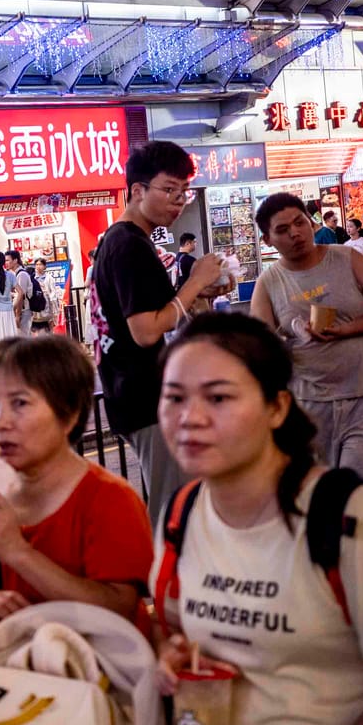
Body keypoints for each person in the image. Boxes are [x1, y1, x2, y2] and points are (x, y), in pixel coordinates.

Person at [153, 312, 363, 725]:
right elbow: (171, 627)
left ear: (277, 407)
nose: (190, 418)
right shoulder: (181, 513)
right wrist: (171, 652)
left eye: (218, 397)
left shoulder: (349, 516)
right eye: (174, 398)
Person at [0, 336, 154, 645]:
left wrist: (16, 551)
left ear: (69, 414)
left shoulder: (109, 499)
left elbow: (118, 610)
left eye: (20, 403)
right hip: (2, 674)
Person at [90, 140, 226, 524]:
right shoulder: (128, 245)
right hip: (144, 398)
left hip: (135, 396)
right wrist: (195, 281)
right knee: (174, 511)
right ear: (138, 190)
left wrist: (199, 292)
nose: (178, 201)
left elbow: (160, 312)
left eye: (184, 192)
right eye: (169, 190)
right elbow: (146, 331)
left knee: (181, 502)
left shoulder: (122, 241)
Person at [250, 193, 363, 481]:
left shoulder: (347, 258)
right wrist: (291, 334)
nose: (295, 233)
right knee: (319, 491)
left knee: (357, 487)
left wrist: (346, 329)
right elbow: (259, 350)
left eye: (300, 222)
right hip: (308, 407)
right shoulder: (268, 283)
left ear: (311, 222)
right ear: (267, 240)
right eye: (282, 229)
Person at [5, 249, 33, 336]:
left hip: (24, 311)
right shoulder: (16, 274)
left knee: (23, 337)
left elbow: (21, 296)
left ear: (15, 260)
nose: (6, 263)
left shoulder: (21, 275)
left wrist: (17, 315)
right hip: (22, 311)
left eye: (8, 260)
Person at [30, 258, 59, 334]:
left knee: (48, 326)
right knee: (36, 327)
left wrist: (52, 303)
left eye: (40, 264)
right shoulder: (32, 278)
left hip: (47, 303)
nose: (38, 266)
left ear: (45, 266)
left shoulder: (49, 278)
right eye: (37, 264)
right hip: (36, 305)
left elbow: (53, 292)